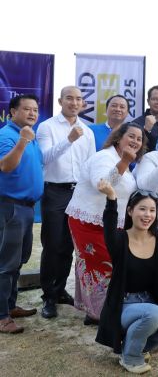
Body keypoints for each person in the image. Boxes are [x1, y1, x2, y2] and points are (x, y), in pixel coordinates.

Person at [95, 181, 158, 374]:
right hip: (123, 306)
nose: (147, 215)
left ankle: (134, 347)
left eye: (152, 210)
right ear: (131, 211)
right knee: (153, 314)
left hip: (149, 303)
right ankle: (130, 357)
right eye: (142, 209)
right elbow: (108, 224)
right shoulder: (119, 239)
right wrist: (111, 198)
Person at [66, 123, 146, 324]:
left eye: (139, 139)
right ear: (119, 137)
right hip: (88, 221)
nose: (136, 141)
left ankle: (97, 312)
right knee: (103, 266)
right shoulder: (105, 157)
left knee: (106, 267)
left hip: (109, 223)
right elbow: (102, 184)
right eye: (132, 136)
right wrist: (124, 162)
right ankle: (101, 314)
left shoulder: (125, 162)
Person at [36, 86, 96, 319]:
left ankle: (60, 290)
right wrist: (69, 141)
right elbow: (44, 157)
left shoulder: (87, 131)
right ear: (61, 101)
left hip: (79, 192)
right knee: (52, 245)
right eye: (69, 98)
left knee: (70, 245)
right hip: (55, 191)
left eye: (78, 99)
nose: (74, 102)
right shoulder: (47, 126)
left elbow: (90, 164)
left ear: (82, 103)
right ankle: (48, 296)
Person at [0, 94, 44, 334]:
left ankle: (9, 305)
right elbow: (6, 166)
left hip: (27, 209)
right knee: (6, 264)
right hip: (10, 207)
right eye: (26, 109)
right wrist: (22, 142)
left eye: (35, 110)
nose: (32, 113)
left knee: (18, 261)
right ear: (12, 112)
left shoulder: (29, 135)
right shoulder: (7, 135)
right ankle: (1, 316)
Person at [132, 85, 158, 152]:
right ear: (148, 101)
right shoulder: (135, 124)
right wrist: (146, 130)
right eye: (154, 99)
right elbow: (133, 148)